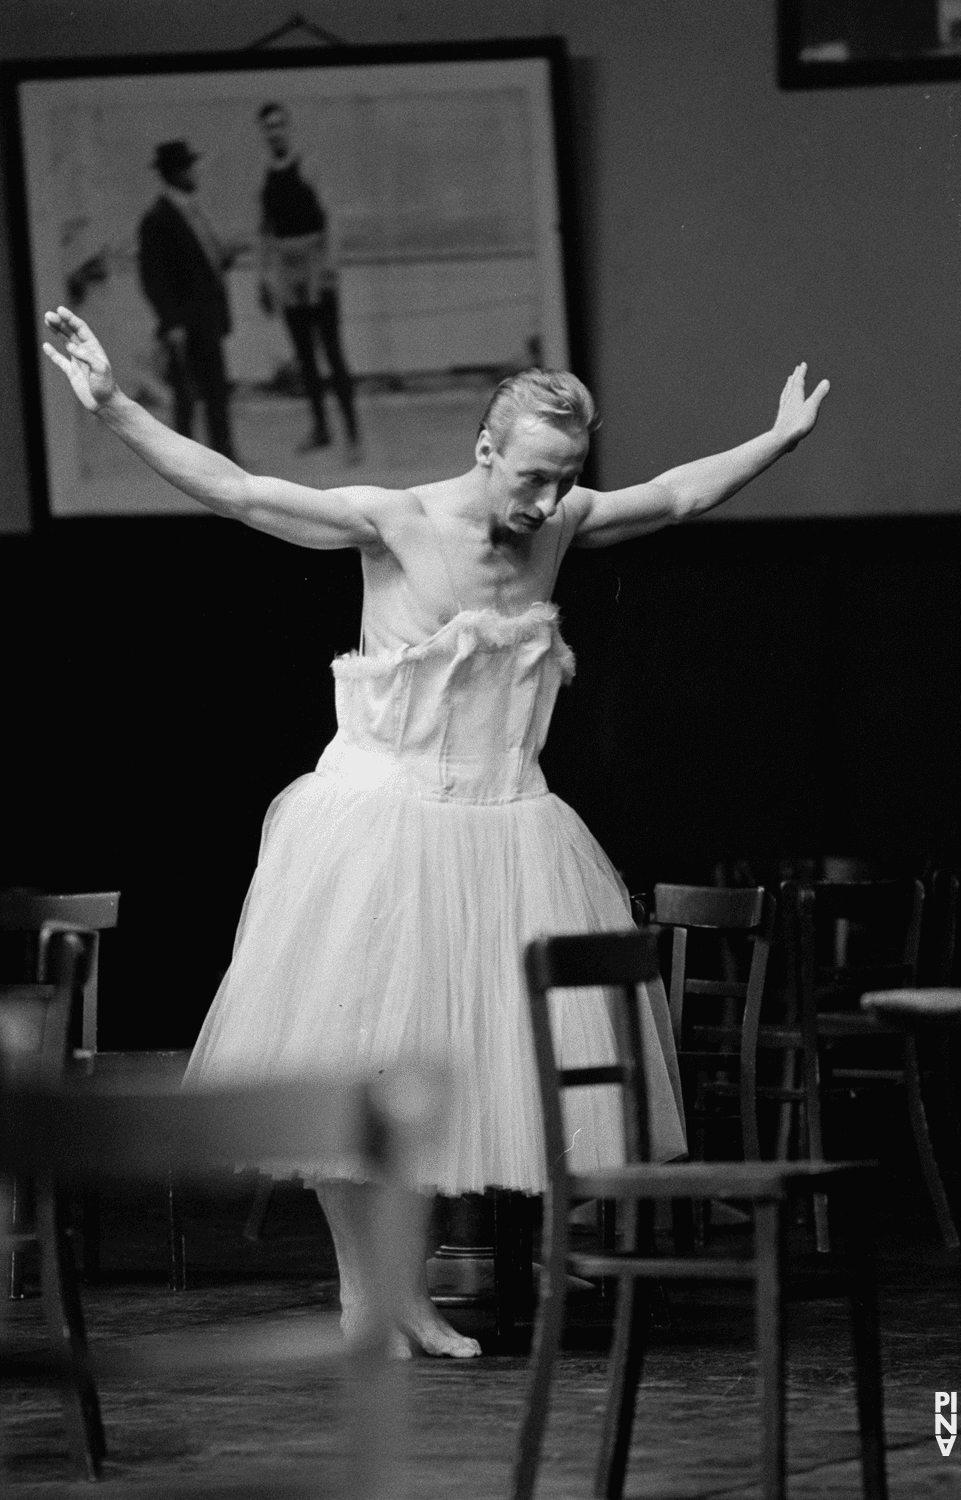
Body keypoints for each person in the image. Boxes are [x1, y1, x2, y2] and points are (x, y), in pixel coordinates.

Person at [42, 305, 830, 1359]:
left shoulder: (561, 522)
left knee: (453, 1076)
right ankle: (362, 1300)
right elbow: (237, 491)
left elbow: (679, 493)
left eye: (565, 479)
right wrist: (113, 408)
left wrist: (775, 440)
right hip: (381, 822)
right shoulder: (397, 521)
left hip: (506, 829)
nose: (546, 501)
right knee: (359, 1065)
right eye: (532, 476)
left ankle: (409, 1299)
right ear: (485, 450)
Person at [257, 102, 360, 457]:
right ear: (264, 133)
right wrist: (263, 278)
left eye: (279, 125)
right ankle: (321, 429)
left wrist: (330, 266)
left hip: (317, 268)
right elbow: (265, 231)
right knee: (305, 357)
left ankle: (352, 434)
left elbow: (331, 217)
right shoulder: (266, 177)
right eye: (268, 127)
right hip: (287, 274)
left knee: (333, 352)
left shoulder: (309, 167)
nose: (275, 133)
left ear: (289, 127)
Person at [138, 140, 236, 460]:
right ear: (173, 173)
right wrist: (171, 323)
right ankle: (185, 462)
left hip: (206, 317)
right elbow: (153, 278)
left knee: (216, 391)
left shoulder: (193, 210)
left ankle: (224, 456)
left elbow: (203, 259)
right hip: (184, 323)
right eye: (187, 167)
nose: (194, 173)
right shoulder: (158, 219)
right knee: (186, 396)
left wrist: (222, 260)